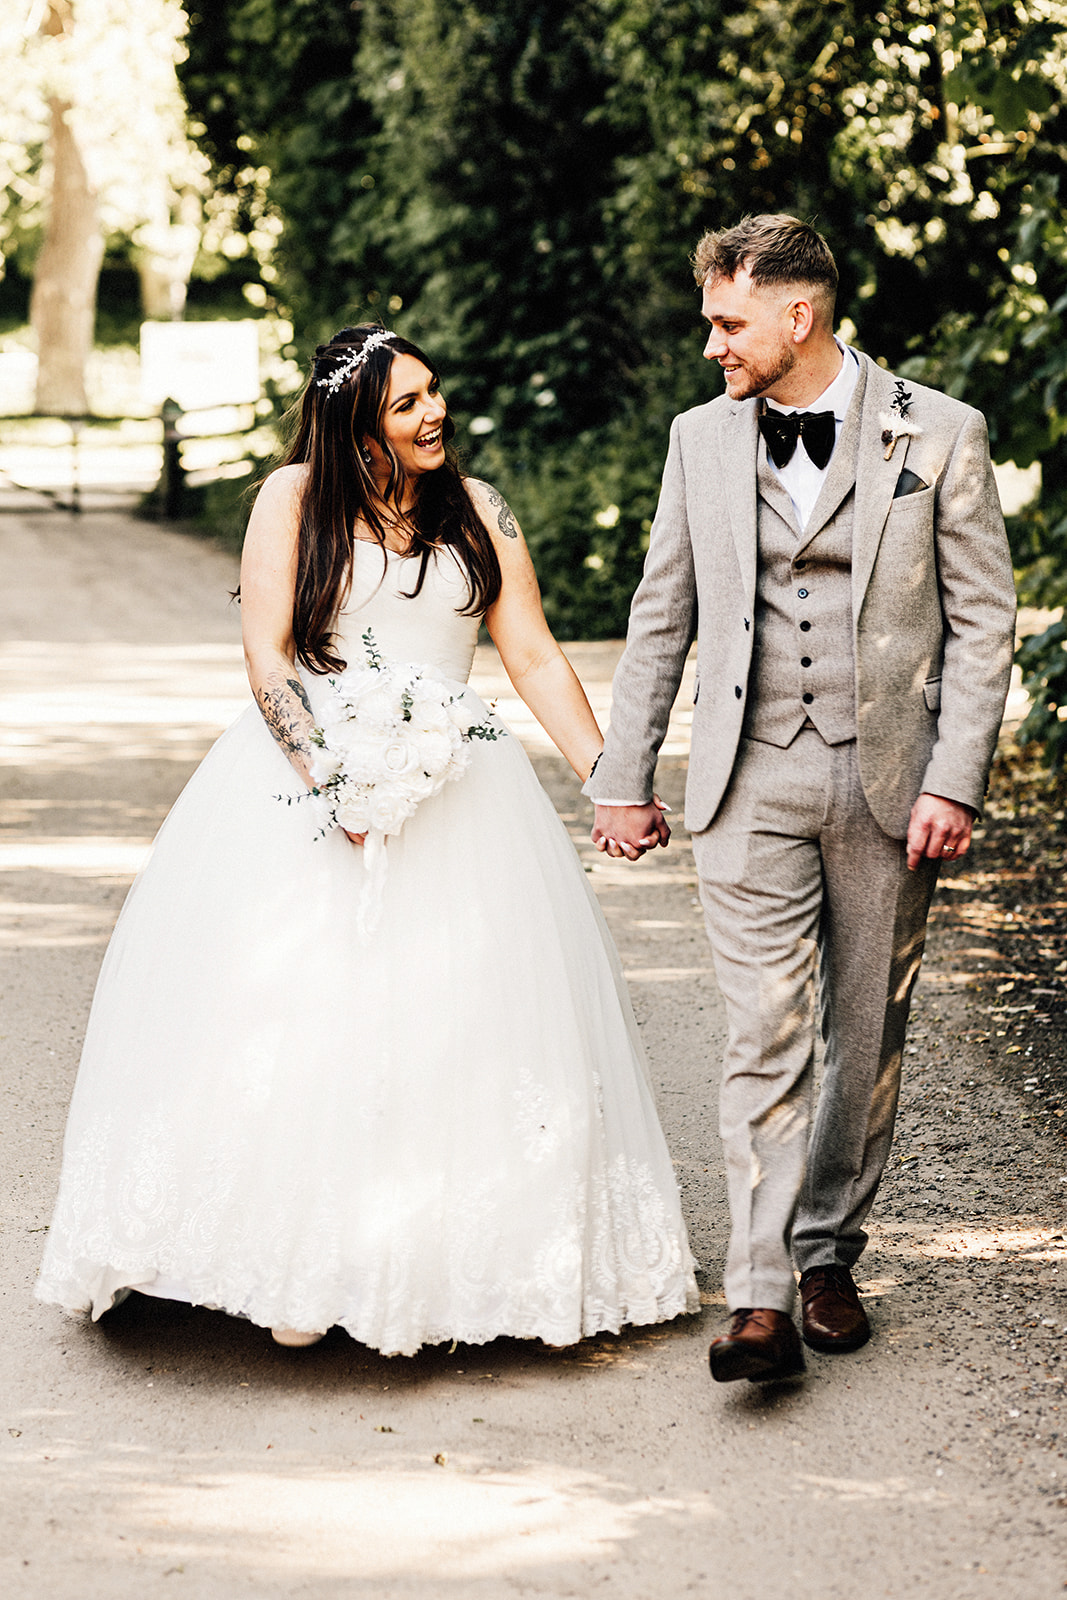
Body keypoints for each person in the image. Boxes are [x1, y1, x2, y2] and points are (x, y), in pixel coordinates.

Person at [37, 323, 698, 1354]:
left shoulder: (478, 511)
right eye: (406, 404)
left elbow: (526, 652)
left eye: (435, 391)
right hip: (308, 790)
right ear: (356, 422)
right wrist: (331, 781)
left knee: (466, 1018)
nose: (434, 413)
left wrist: (610, 782)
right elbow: (267, 660)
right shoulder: (292, 500)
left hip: (463, 789)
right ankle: (290, 1261)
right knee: (298, 1018)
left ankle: (452, 1261)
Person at [585, 215, 1016, 1384]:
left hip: (891, 785)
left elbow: (981, 623)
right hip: (746, 774)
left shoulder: (939, 433)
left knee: (864, 1033)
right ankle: (762, 1294)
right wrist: (621, 778)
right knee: (761, 1032)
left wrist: (953, 775)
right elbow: (659, 612)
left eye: (727, 321)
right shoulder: (696, 440)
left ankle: (827, 1248)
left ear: (797, 314)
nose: (710, 344)